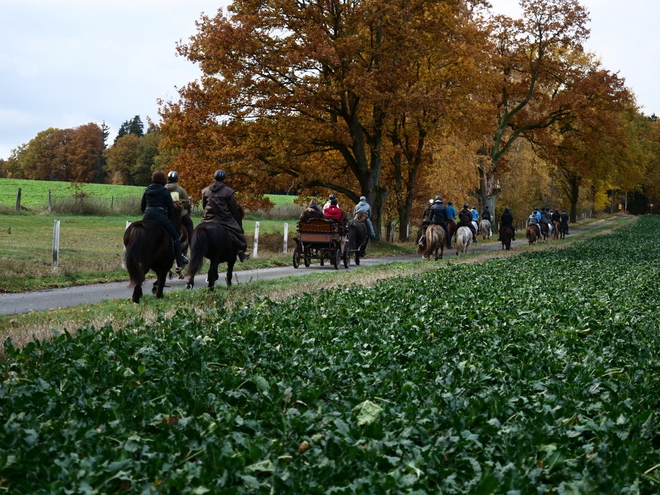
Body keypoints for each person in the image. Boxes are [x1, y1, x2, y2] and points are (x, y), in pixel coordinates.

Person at [140, 170, 189, 268]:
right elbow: (170, 207)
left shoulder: (147, 190)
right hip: (161, 217)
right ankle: (179, 259)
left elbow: (142, 207)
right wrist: (169, 218)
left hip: (147, 216)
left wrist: (147, 214)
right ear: (163, 180)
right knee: (175, 236)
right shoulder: (164, 191)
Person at [201, 169, 250, 262]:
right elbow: (232, 208)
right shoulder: (228, 191)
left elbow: (204, 205)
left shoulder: (205, 191)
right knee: (238, 231)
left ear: (214, 178)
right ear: (224, 179)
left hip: (208, 218)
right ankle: (241, 253)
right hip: (224, 219)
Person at [165, 171, 194, 244]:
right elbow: (186, 202)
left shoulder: (163, 188)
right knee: (189, 224)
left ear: (167, 179)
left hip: (165, 213)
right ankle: (191, 244)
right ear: (177, 179)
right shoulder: (180, 189)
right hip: (179, 213)